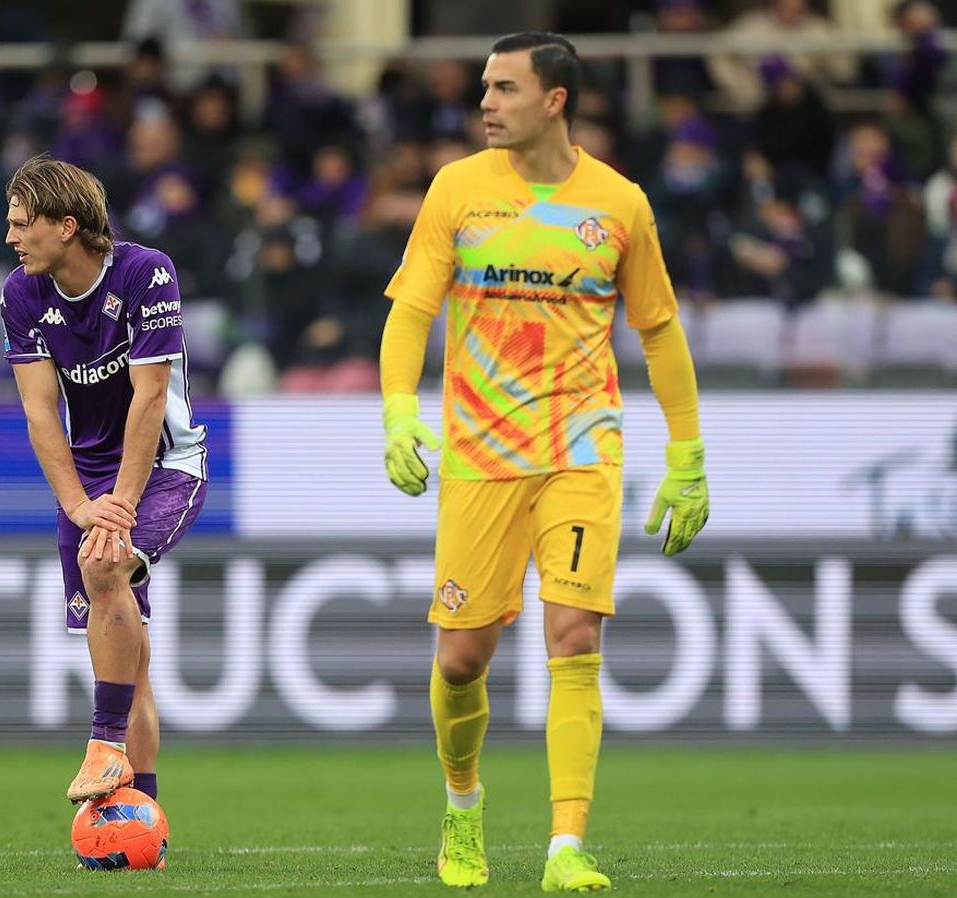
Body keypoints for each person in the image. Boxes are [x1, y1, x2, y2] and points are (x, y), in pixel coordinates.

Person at [379, 33, 709, 892]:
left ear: (554, 100)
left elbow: (660, 331)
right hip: (481, 455)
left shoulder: (620, 204)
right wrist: (398, 413)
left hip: (581, 448)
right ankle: (463, 804)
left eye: (505, 88)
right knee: (462, 660)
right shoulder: (456, 188)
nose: (485, 103)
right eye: (485, 87)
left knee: (574, 635)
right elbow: (411, 311)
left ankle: (567, 845)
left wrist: (687, 454)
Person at [0, 155, 207, 805]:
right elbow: (39, 410)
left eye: (21, 224)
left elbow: (151, 396)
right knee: (130, 665)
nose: (10, 238)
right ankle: (142, 817)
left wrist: (119, 505)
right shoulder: (20, 294)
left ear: (66, 226)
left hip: (166, 466)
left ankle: (104, 744)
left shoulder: (147, 273)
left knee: (104, 564)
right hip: (89, 484)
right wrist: (79, 504)